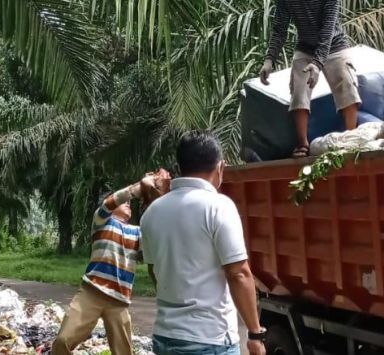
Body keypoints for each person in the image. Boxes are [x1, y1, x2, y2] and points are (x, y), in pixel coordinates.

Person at [141, 131, 267, 355]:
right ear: (220, 168)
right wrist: (255, 334)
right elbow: (238, 273)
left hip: (165, 337)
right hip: (210, 340)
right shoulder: (218, 206)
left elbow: (155, 272)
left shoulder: (152, 213)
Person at [52, 173, 168, 355]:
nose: (128, 204)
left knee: (124, 352)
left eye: (130, 203)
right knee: (62, 341)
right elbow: (109, 203)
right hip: (92, 292)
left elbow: (154, 241)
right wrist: (136, 188)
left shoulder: (138, 233)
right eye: (124, 202)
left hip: (119, 300)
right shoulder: (101, 221)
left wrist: (157, 197)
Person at [259, 0, 361, 158]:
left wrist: (318, 63)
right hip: (306, 48)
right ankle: (302, 143)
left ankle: (352, 137)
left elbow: (327, 30)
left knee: (346, 84)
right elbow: (280, 29)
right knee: (299, 90)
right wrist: (269, 60)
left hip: (334, 45)